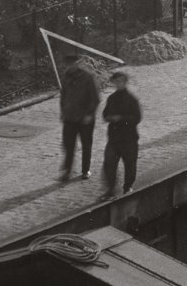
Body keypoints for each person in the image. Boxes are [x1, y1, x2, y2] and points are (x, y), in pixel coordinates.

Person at [57, 53, 101, 183]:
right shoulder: (65, 77)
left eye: (73, 64)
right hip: (70, 117)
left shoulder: (88, 77)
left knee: (86, 145)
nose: (71, 66)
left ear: (78, 64)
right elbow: (63, 96)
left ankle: (85, 170)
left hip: (85, 119)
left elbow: (95, 99)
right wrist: (63, 111)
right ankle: (67, 171)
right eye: (68, 64)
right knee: (68, 145)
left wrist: (89, 114)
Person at [100, 70, 141, 199]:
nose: (119, 84)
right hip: (114, 138)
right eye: (116, 82)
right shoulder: (111, 98)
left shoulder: (131, 99)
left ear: (125, 82)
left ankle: (128, 186)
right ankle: (110, 189)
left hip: (129, 138)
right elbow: (105, 114)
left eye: (121, 81)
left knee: (130, 164)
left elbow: (137, 118)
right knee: (109, 164)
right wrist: (108, 118)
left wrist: (121, 118)